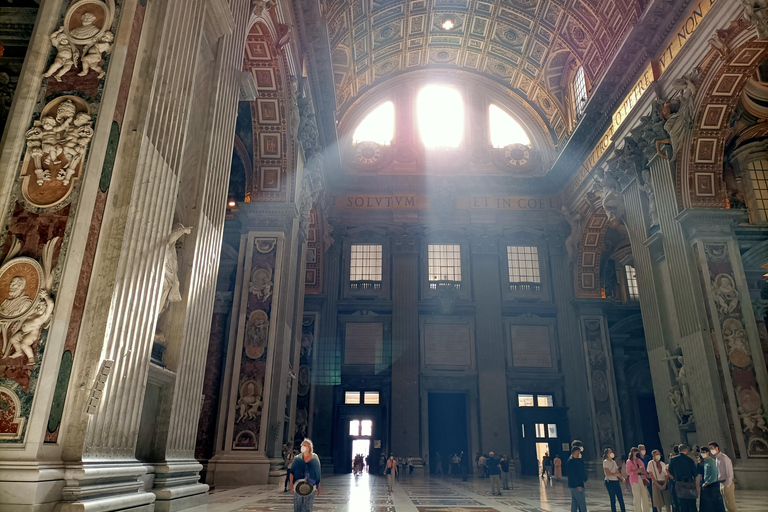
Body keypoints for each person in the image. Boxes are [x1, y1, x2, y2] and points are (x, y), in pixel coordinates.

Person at [289, 438, 321, 512]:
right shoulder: (297, 458)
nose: (303, 447)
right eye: (302, 445)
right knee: (298, 507)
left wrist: (318, 486)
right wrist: (291, 484)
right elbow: (292, 472)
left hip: (311, 484)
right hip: (297, 485)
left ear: (309, 447)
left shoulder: (315, 457)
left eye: (305, 445)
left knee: (307, 507)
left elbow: (318, 472)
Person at [668, 444, 698, 512]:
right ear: (687, 450)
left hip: (679, 483)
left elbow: (671, 472)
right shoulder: (690, 460)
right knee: (691, 504)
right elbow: (695, 473)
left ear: (679, 450)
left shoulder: (673, 460)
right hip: (689, 483)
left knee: (681, 503)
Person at [709, 442, 737, 512]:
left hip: (727, 483)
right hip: (721, 483)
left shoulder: (724, 458)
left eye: (712, 448)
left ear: (717, 448)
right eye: (710, 449)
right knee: (726, 504)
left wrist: (727, 484)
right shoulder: (717, 458)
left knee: (730, 504)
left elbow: (729, 473)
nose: (711, 450)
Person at [700, 447, 726, 512]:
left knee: (715, 504)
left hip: (712, 485)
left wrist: (707, 483)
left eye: (703, 452)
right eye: (701, 452)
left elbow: (714, 475)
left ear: (708, 452)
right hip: (708, 485)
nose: (702, 454)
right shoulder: (705, 462)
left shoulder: (712, 462)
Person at [627, 447, 652, 512]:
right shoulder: (629, 461)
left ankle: (646, 510)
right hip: (634, 479)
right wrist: (636, 471)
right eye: (636, 453)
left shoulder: (639, 461)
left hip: (642, 478)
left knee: (645, 496)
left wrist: (643, 472)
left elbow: (643, 469)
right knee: (637, 497)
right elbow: (628, 472)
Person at [604, 448, 627, 512]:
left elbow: (617, 472)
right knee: (613, 499)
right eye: (610, 452)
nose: (612, 453)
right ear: (607, 454)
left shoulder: (614, 462)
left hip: (616, 481)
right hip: (609, 482)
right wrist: (615, 474)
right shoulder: (605, 462)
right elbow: (607, 473)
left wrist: (622, 478)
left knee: (620, 498)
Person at [568, 445, 588, 512]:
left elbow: (581, 471)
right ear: (575, 452)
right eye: (578, 452)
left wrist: (584, 480)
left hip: (578, 484)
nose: (579, 454)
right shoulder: (571, 461)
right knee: (582, 503)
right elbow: (573, 475)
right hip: (575, 485)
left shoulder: (578, 461)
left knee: (575, 503)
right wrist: (578, 485)